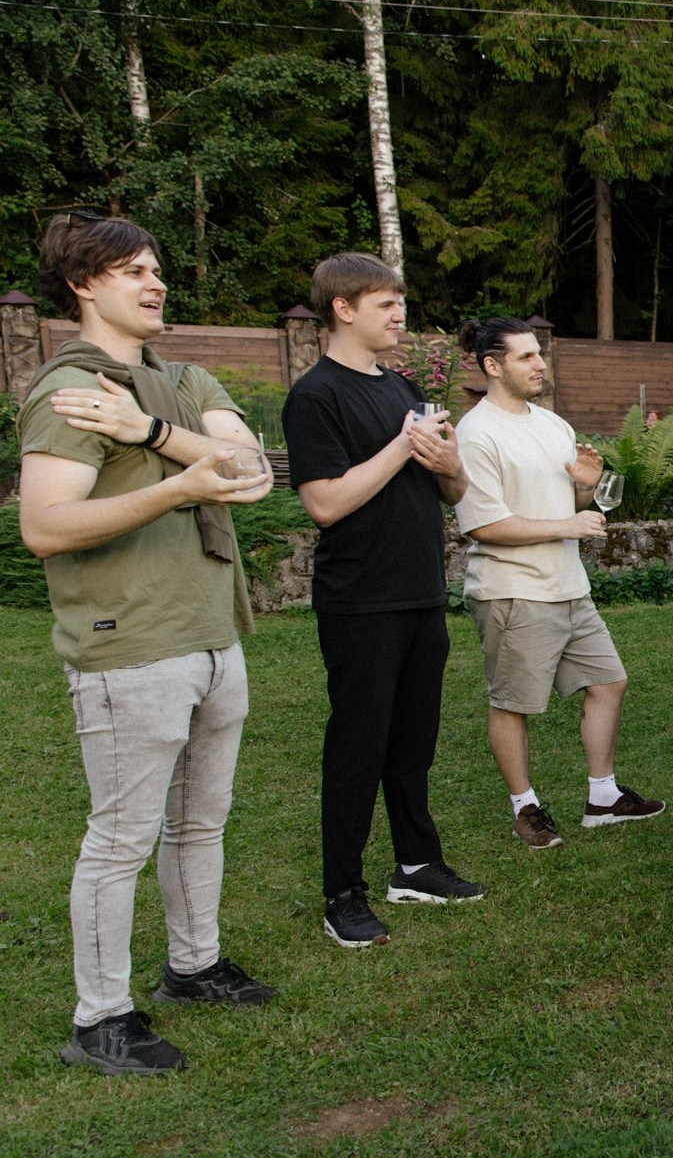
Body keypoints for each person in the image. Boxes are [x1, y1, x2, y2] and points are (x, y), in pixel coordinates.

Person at [19, 214, 278, 1074]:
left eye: (156, 267)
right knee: (122, 836)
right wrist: (175, 489)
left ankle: (192, 967)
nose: (154, 281)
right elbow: (46, 526)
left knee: (200, 820)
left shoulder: (184, 378)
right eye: (131, 269)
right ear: (84, 285)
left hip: (212, 630)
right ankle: (100, 1018)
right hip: (127, 639)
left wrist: (154, 438)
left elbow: (253, 473)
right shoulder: (71, 389)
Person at [284, 251, 480, 949]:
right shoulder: (315, 396)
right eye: (385, 304)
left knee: (413, 741)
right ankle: (343, 892)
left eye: (401, 302)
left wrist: (449, 464)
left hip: (420, 591)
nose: (400, 315)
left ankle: (417, 863)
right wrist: (403, 447)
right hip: (360, 600)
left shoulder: (400, 388)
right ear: (343, 308)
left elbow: (450, 493)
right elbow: (326, 503)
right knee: (358, 748)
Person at [453, 318, 664, 849]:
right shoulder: (475, 434)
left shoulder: (553, 425)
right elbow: (483, 524)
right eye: (526, 356)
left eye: (539, 353)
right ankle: (526, 808)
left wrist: (586, 492)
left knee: (609, 682)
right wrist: (567, 526)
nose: (539, 363)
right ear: (492, 365)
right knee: (513, 703)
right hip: (513, 590)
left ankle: (603, 796)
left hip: (570, 587)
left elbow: (565, 505)